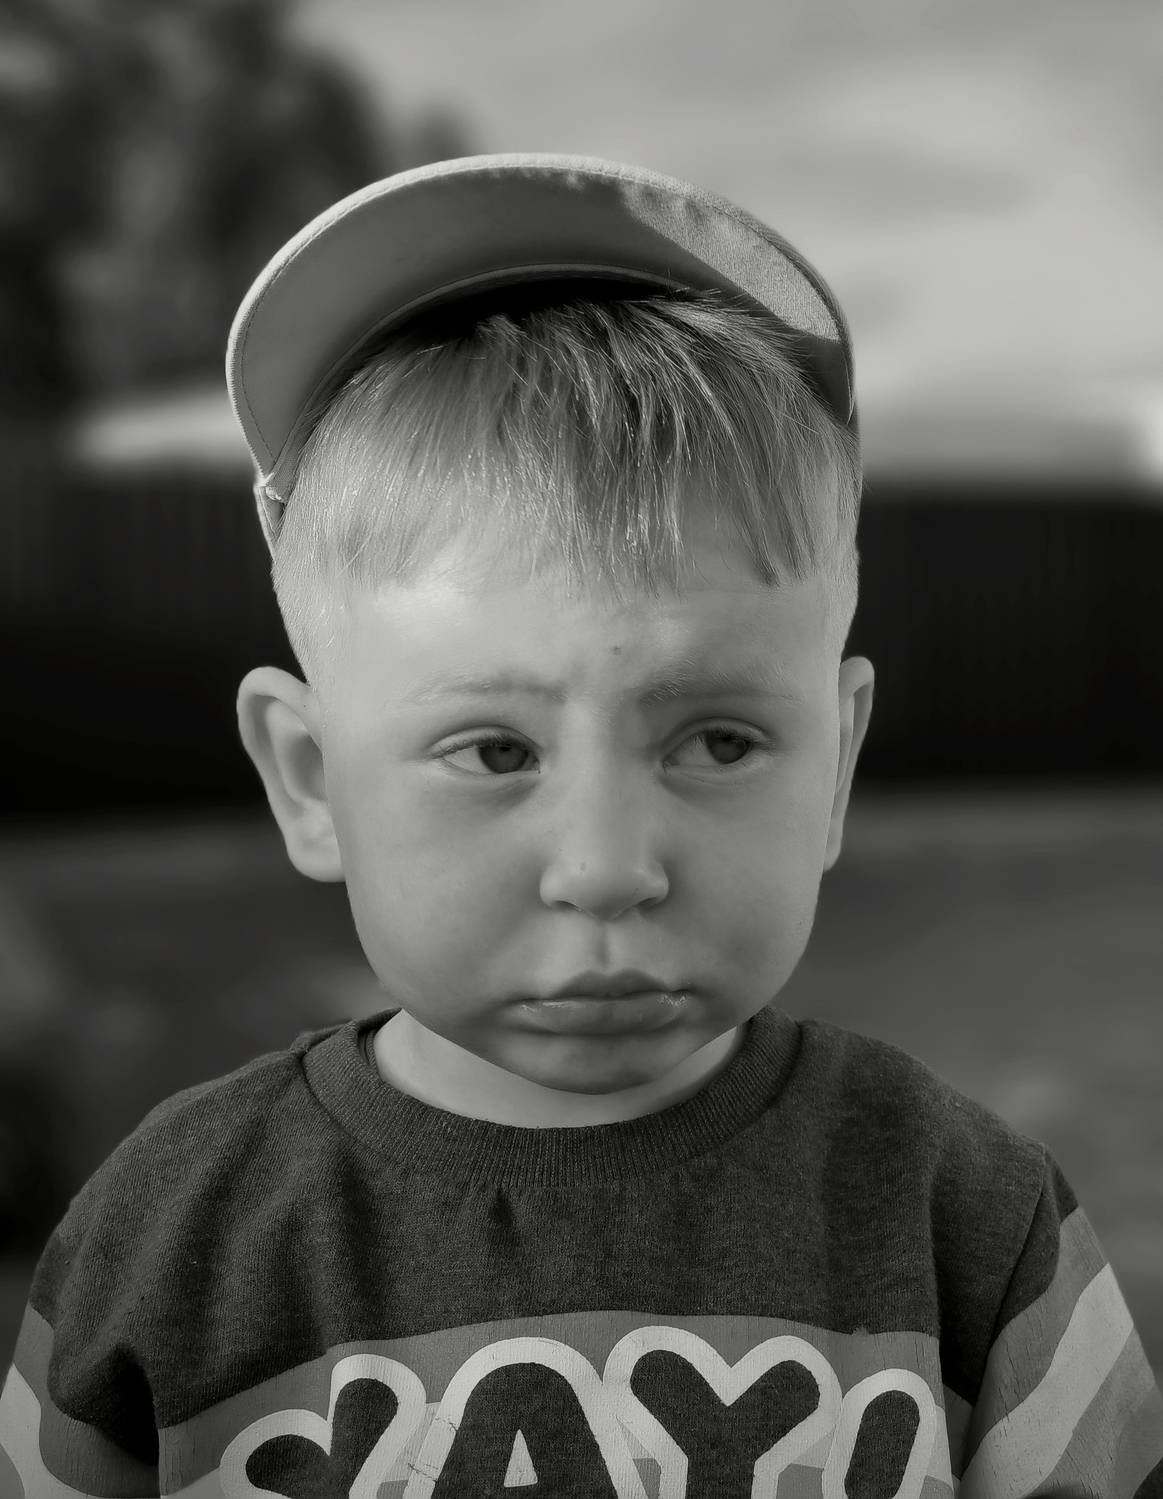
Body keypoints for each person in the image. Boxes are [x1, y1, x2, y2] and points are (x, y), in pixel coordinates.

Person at [1, 155, 1159, 1498]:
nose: (608, 868)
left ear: (836, 764)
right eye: (494, 751)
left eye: (718, 741)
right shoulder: (171, 1239)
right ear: (311, 780)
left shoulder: (970, 1223)